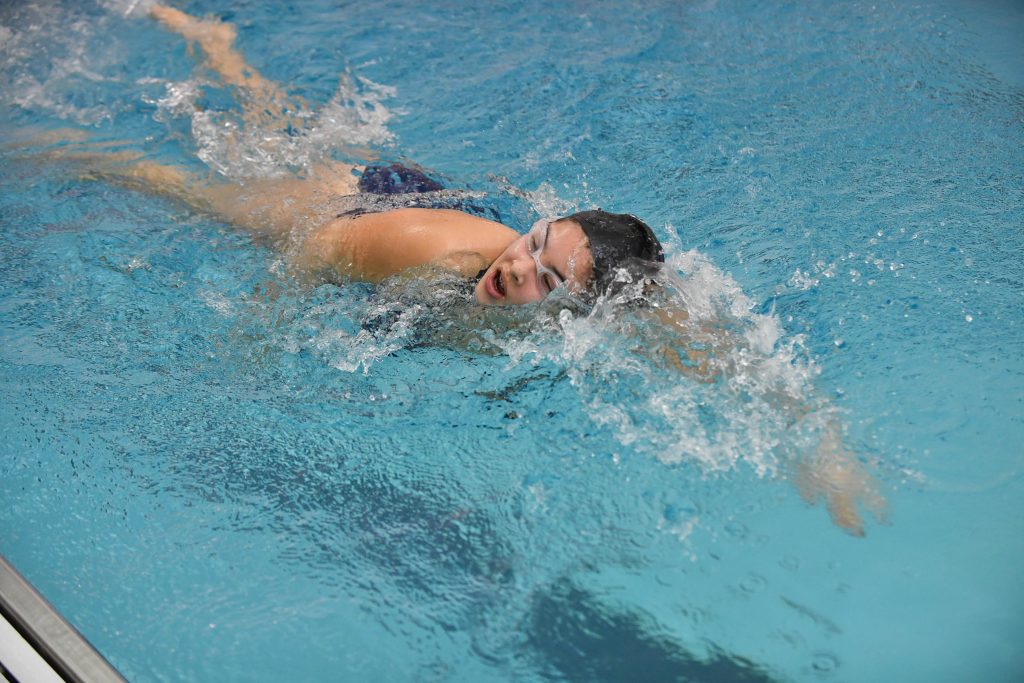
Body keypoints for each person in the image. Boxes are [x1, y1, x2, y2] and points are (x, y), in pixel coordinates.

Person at [28, 5, 885, 536]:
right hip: (361, 215)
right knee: (203, 188)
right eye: (533, 246)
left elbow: (739, 365)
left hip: (411, 206)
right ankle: (66, 150)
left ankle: (216, 44)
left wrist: (830, 452)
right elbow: (318, 251)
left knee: (275, 123)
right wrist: (254, 341)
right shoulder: (443, 253)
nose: (520, 271)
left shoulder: (619, 302)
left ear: (585, 308)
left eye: (549, 278)